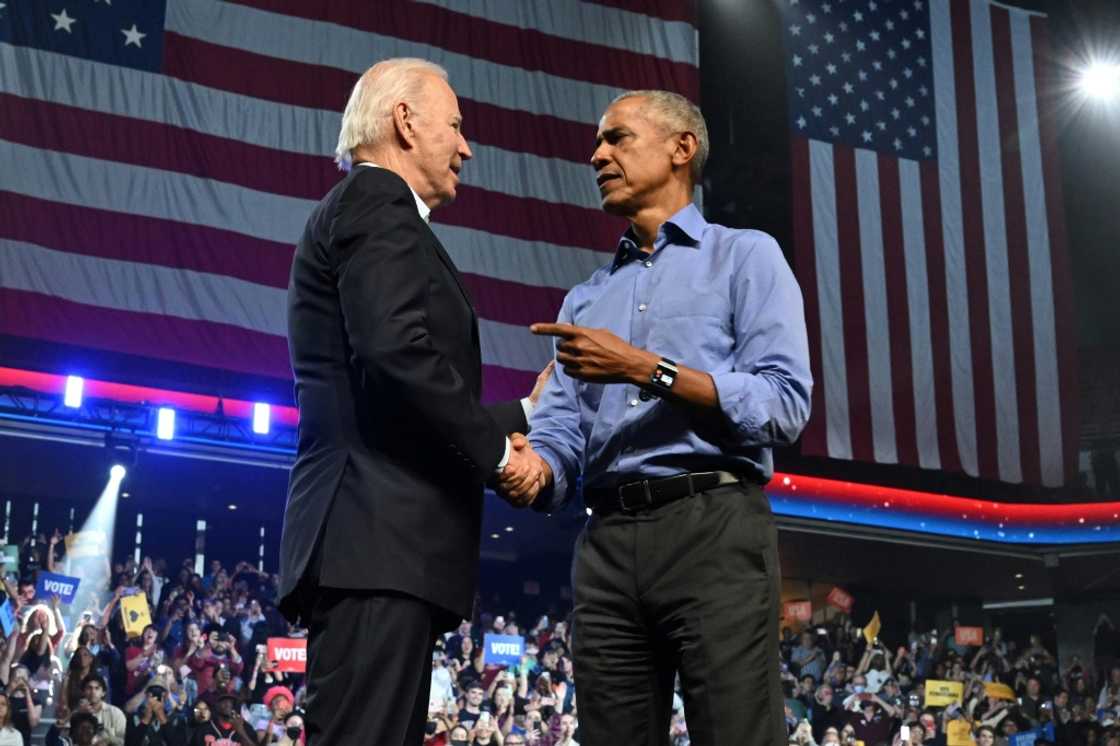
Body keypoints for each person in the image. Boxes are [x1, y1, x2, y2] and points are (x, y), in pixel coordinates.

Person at [513, 89, 812, 746]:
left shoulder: (746, 257)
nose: (597, 155)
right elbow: (560, 436)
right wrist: (532, 469)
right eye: (598, 142)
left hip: (715, 527)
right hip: (606, 543)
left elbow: (785, 403)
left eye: (616, 138)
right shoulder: (585, 300)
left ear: (682, 148)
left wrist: (646, 368)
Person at [277, 56, 550, 746]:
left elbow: (392, 407)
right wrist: (500, 456)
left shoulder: (373, 211)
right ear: (404, 120)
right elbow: (396, 352)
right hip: (375, 545)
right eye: (455, 126)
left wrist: (525, 414)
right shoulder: (378, 200)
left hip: (381, 548)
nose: (466, 147)